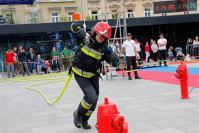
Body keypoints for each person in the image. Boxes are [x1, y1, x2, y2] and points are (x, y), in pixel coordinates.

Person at [71, 22, 119, 129]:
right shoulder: (85, 39)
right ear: (95, 32)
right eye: (100, 35)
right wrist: (79, 30)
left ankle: (84, 120)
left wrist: (114, 60)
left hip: (93, 75)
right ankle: (78, 114)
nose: (101, 38)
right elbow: (73, 26)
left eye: (104, 37)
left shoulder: (105, 49)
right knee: (90, 97)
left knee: (94, 99)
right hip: (80, 73)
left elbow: (113, 62)